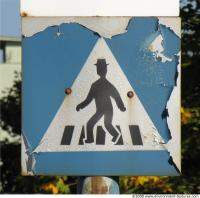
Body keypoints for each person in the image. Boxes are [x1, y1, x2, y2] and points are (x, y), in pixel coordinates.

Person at [76, 59, 126, 144]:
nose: (99, 70)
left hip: (106, 109)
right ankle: (114, 135)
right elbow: (89, 99)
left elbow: (116, 95)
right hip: (102, 109)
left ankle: (115, 135)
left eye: (100, 68)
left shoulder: (102, 84)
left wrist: (121, 106)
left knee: (102, 124)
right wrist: (80, 106)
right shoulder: (96, 85)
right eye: (99, 68)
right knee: (99, 124)